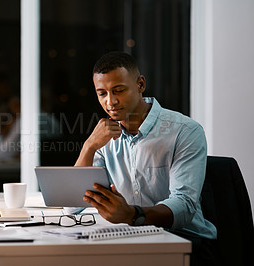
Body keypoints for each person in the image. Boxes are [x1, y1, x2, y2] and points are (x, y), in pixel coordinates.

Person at [75, 51, 218, 265]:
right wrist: (89, 146)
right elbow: (72, 205)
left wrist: (133, 214)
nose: (110, 102)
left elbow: (184, 206)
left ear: (140, 84)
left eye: (119, 90)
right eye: (102, 93)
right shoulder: (103, 137)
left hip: (186, 241)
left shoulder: (185, 131)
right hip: (129, 238)